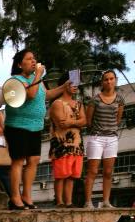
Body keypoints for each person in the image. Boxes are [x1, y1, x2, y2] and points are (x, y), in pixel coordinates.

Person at [3, 49, 70, 210]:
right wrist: (39, 75)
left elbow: (45, 94)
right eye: (29, 59)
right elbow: (31, 94)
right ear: (20, 64)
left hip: (35, 126)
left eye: (35, 58)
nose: (34, 61)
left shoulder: (36, 79)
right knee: (18, 161)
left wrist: (63, 87)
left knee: (33, 161)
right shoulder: (16, 80)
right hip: (17, 125)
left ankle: (27, 195)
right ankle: (15, 197)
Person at [83, 70, 125, 209]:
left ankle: (106, 202)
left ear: (115, 80)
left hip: (112, 138)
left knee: (108, 172)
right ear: (102, 82)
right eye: (106, 79)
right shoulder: (95, 99)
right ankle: (88, 202)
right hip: (96, 138)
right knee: (93, 171)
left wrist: (109, 128)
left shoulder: (120, 99)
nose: (109, 81)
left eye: (111, 79)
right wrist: (98, 130)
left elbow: (118, 119)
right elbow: (88, 120)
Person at [48, 73, 85, 208]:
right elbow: (62, 123)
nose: (75, 86)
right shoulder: (57, 103)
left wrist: (71, 121)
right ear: (64, 85)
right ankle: (59, 201)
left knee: (71, 176)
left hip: (76, 143)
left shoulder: (79, 104)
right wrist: (76, 122)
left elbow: (84, 121)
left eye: (76, 84)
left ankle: (69, 202)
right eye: (71, 83)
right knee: (60, 174)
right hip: (61, 143)